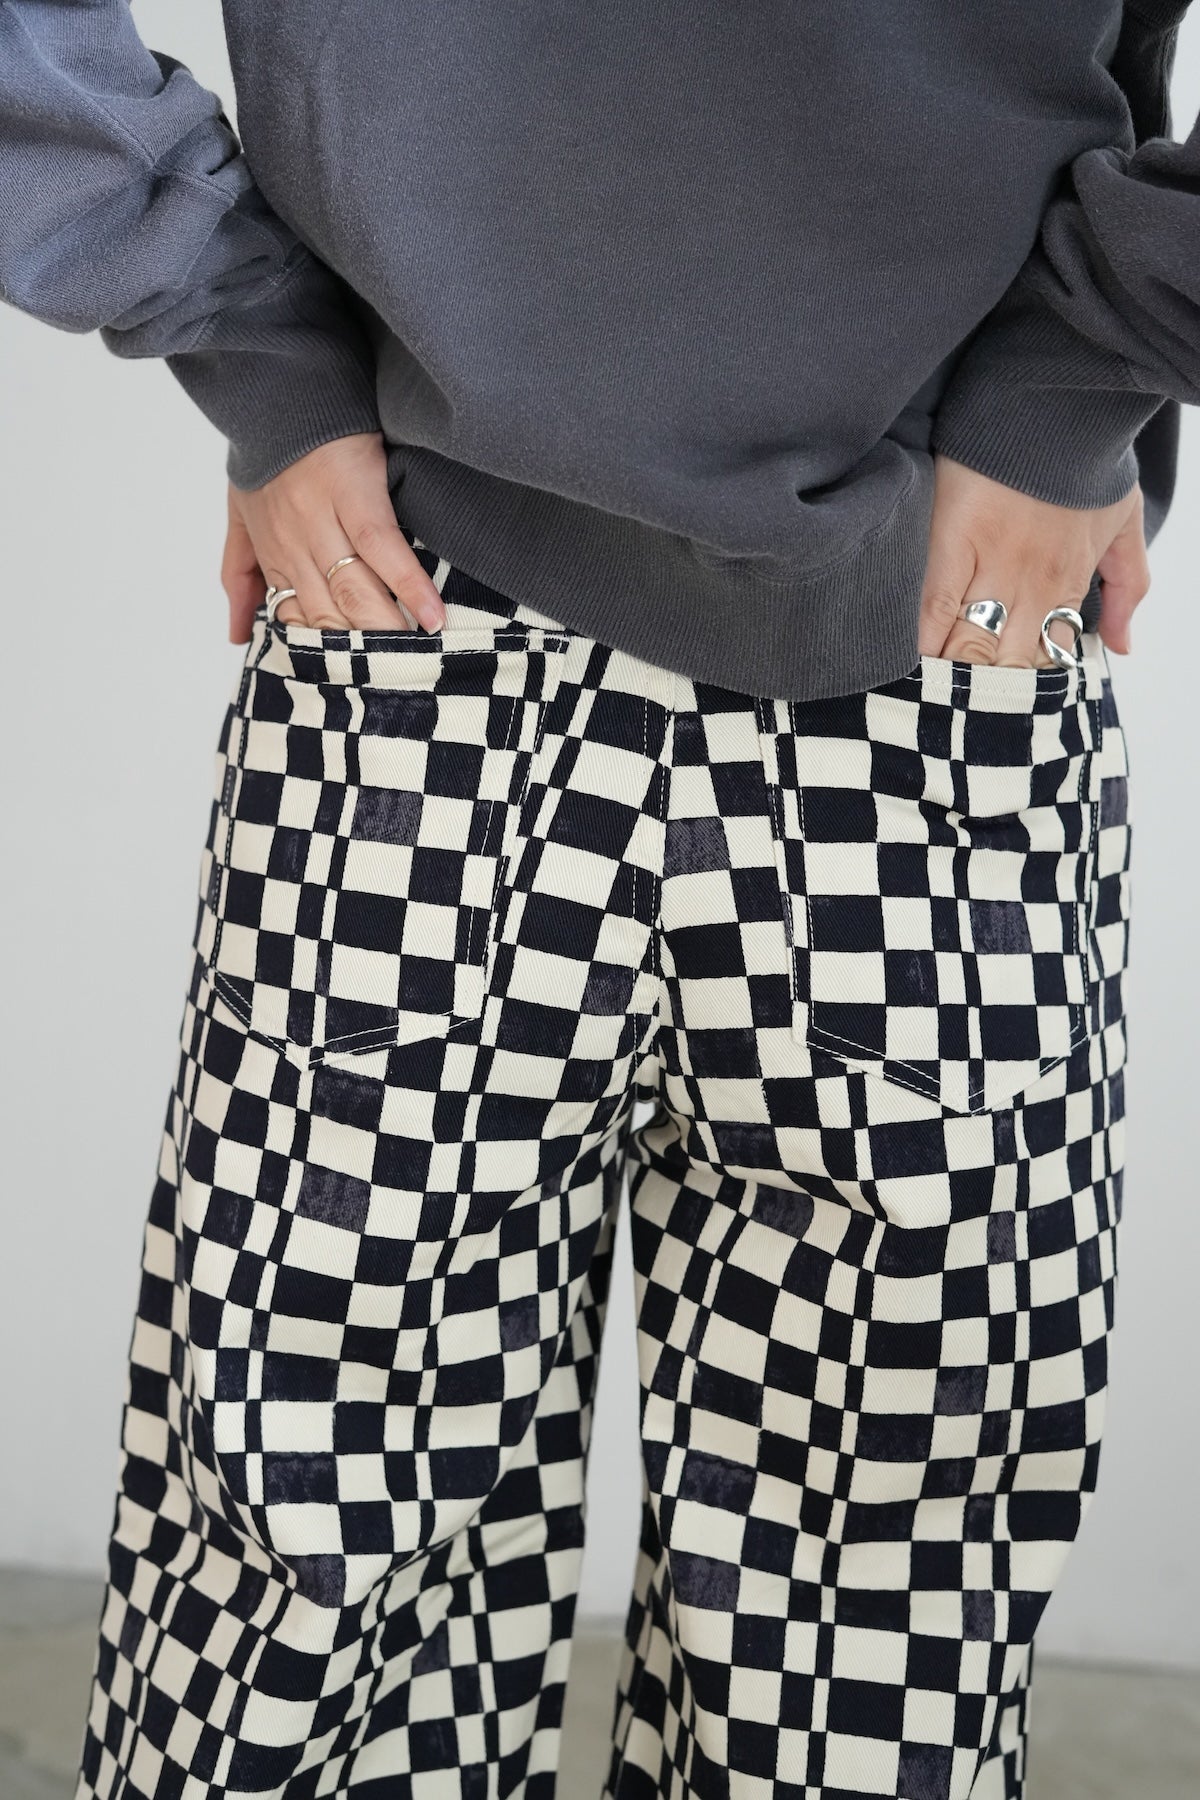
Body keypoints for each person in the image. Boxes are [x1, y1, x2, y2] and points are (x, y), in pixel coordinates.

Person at [1, 3, 1194, 1795]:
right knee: (845, 1632)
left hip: (833, 617)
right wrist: (237, 325)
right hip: (543, 601)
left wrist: (1097, 361)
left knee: (337, 1604)